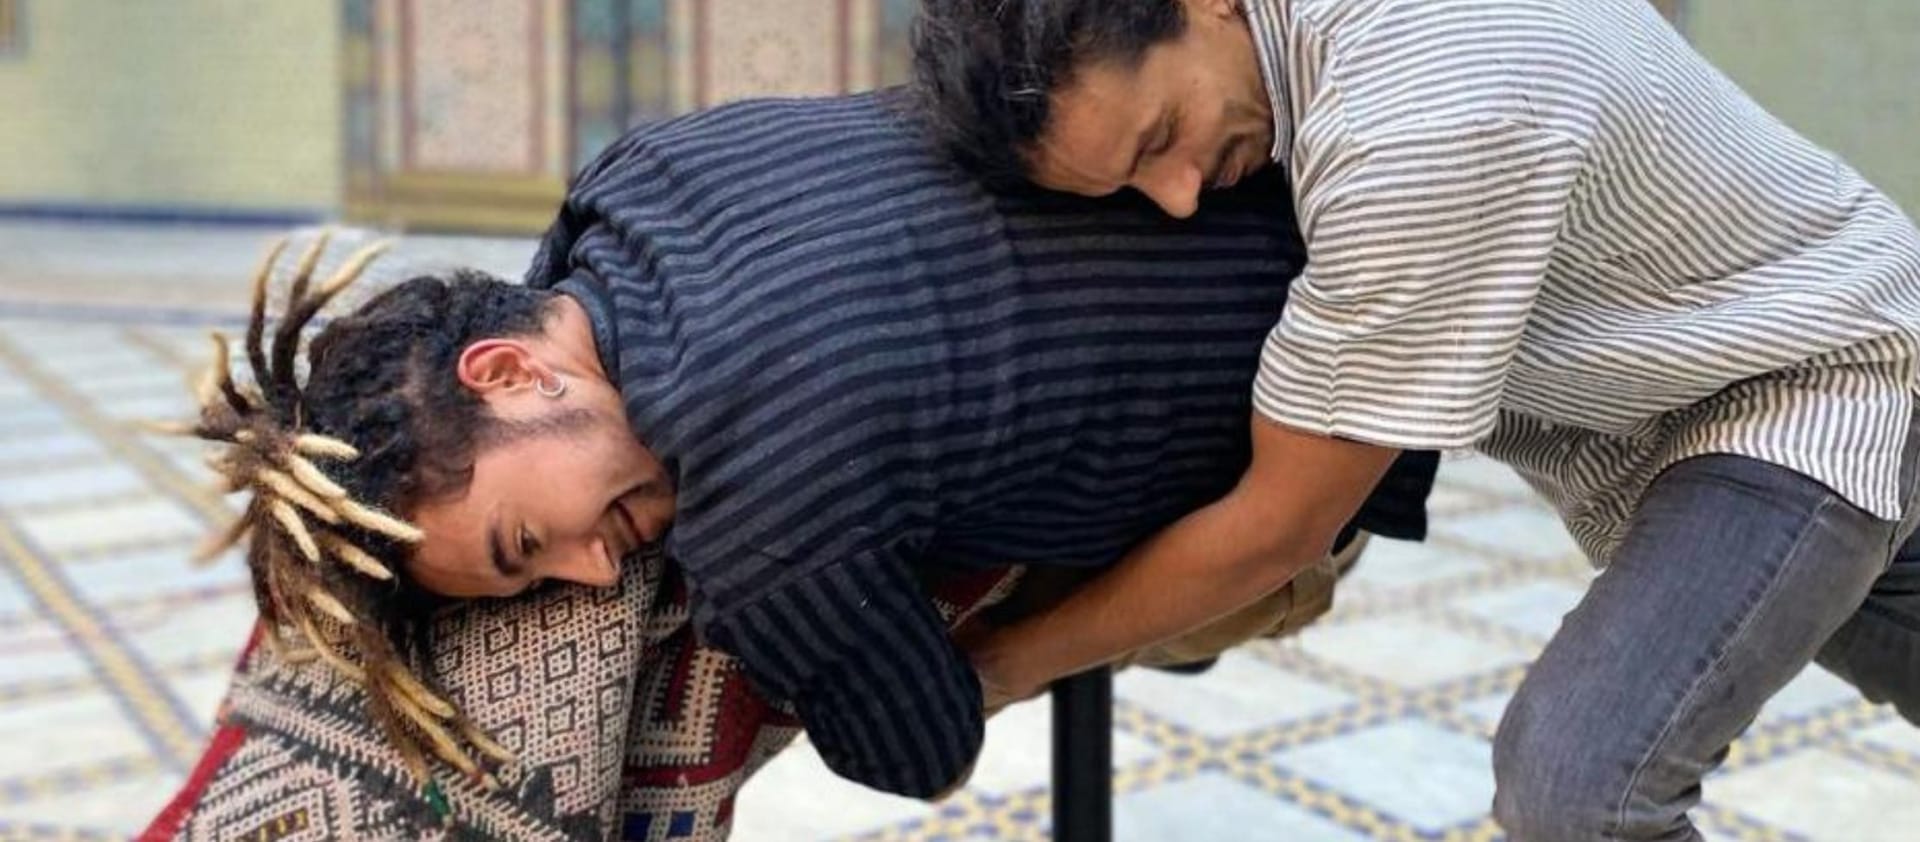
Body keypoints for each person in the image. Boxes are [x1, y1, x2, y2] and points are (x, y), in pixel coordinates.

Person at [143, 90, 1436, 838]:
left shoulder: (764, 518)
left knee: (693, 633)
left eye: (529, 546)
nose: (595, 563)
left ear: (506, 369)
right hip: (1292, 194)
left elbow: (915, 745)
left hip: (1330, 440)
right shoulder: (632, 172)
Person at [910, 0, 1920, 837]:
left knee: (1580, 786)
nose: (1176, 200)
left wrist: (1000, 663)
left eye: (1163, 138)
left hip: (1809, 378)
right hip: (1785, 329)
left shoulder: (1415, 126)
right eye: (1125, 184)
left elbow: (1279, 525)